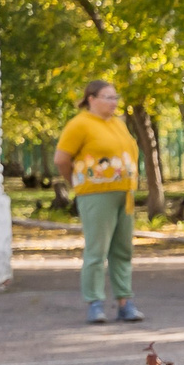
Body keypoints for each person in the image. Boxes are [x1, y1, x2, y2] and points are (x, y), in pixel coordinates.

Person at [53, 80, 143, 325]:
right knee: (97, 249)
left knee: (123, 249)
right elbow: (61, 158)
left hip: (123, 193)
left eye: (115, 97)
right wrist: (76, 183)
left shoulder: (118, 124)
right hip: (95, 194)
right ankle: (95, 303)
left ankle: (125, 302)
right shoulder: (79, 124)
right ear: (91, 99)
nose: (113, 102)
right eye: (108, 97)